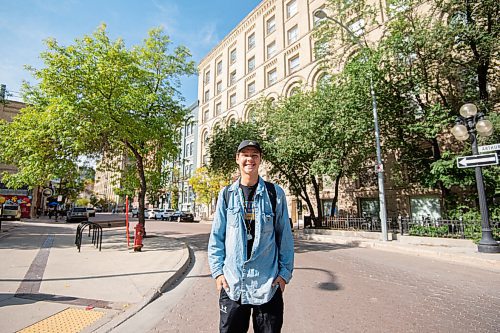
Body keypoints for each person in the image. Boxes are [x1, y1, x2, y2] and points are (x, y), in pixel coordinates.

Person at [208, 140, 294, 333]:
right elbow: (217, 237)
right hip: (233, 284)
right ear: (237, 159)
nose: (250, 159)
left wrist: (284, 275)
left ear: (260, 159)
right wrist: (218, 273)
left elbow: (285, 238)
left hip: (267, 285)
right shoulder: (226, 194)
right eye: (245, 154)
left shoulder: (275, 194)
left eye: (254, 155)